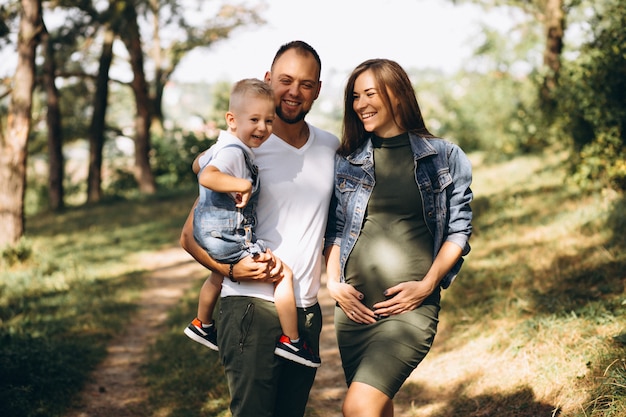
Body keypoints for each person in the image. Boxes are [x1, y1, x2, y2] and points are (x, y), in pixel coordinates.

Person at [180, 40, 339, 417]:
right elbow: (189, 236)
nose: (294, 91)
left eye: (306, 83)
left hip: (306, 313)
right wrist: (230, 269)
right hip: (250, 307)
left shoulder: (331, 148)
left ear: (317, 89)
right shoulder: (244, 150)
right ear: (269, 81)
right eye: (285, 80)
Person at [324, 58, 473, 417]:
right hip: (355, 309)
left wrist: (427, 285)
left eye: (370, 93)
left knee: (358, 408)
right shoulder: (347, 160)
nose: (361, 104)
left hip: (411, 309)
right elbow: (337, 229)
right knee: (377, 406)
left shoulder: (444, 157)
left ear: (398, 94)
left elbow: (459, 231)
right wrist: (333, 283)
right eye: (355, 97)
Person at [183, 78, 320, 368]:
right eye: (255, 120)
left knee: (216, 277)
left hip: (209, 231)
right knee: (283, 275)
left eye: (269, 121)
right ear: (232, 120)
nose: (263, 128)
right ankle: (292, 341)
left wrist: (210, 161)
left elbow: (198, 165)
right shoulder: (234, 152)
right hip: (225, 232)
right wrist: (242, 184)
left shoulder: (222, 144)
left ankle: (202, 323)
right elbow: (205, 176)